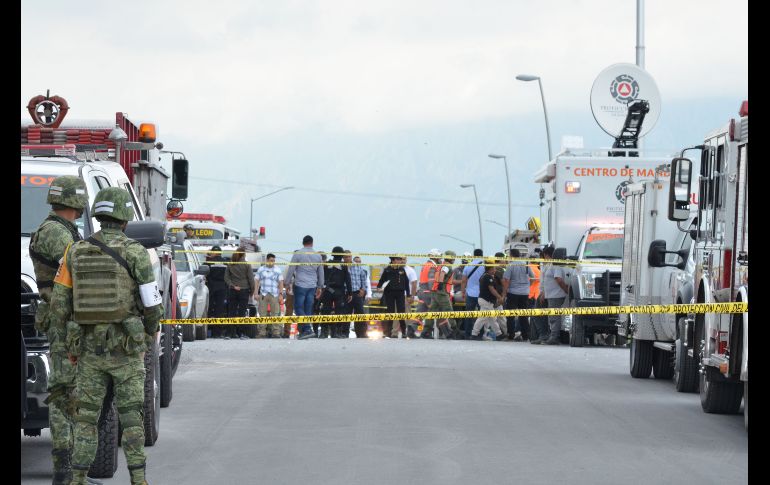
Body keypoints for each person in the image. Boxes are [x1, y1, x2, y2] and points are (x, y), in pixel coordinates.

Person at [49, 187, 163, 485]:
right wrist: (149, 335)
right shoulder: (137, 252)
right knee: (131, 416)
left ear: (98, 215)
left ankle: (77, 479)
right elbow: (152, 304)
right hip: (126, 349)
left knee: (86, 418)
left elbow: (59, 305)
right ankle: (138, 480)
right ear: (125, 217)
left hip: (88, 351)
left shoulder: (74, 250)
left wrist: (65, 346)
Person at [28, 176, 102, 485]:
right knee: (65, 398)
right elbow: (79, 274)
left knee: (71, 396)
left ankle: (71, 472)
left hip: (68, 320)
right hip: (65, 323)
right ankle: (66, 472)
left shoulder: (63, 231)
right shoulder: (56, 234)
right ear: (76, 201)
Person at [285, 235, 324, 339]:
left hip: (300, 285)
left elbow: (291, 269)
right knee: (308, 309)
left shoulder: (298, 254)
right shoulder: (318, 256)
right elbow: (321, 272)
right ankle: (304, 332)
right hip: (312, 285)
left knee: (298, 308)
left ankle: (307, 329)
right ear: (312, 243)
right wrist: (320, 286)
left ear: (303, 243)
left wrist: (287, 283)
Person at [319, 246, 352, 338]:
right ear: (342, 255)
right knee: (339, 312)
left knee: (325, 311)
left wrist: (321, 288)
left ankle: (323, 332)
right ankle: (338, 332)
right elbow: (348, 280)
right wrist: (350, 293)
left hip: (327, 290)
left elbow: (321, 277)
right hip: (339, 291)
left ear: (333, 254)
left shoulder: (326, 264)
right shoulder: (343, 266)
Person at [539, 245, 569, 345]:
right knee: (552, 317)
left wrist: (566, 290)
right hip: (552, 295)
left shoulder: (557, 266)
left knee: (554, 317)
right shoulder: (553, 265)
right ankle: (552, 336)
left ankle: (554, 337)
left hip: (556, 295)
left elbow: (559, 279)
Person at [424, 250, 458, 339]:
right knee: (449, 312)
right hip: (442, 293)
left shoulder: (441, 265)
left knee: (431, 312)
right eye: (453, 257)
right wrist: (441, 284)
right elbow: (443, 273)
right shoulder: (446, 266)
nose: (454, 259)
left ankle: (426, 331)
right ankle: (455, 330)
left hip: (435, 292)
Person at [503, 248, 535, 341]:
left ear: (512, 255)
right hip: (525, 293)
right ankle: (526, 335)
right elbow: (533, 278)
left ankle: (511, 335)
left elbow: (506, 280)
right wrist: (528, 286)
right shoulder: (526, 264)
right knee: (523, 315)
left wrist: (504, 293)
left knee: (511, 315)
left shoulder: (510, 265)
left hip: (513, 293)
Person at [470, 262, 505, 340]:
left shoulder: (484, 276)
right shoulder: (488, 277)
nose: (494, 270)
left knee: (492, 318)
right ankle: (474, 334)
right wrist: (499, 297)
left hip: (485, 300)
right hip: (486, 301)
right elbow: (492, 289)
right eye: (493, 269)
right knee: (483, 318)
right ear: (488, 270)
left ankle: (499, 334)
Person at [225, 248, 255, 339]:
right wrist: (252, 291)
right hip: (244, 290)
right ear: (244, 255)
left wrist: (233, 286)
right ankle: (241, 333)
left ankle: (230, 333)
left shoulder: (230, 264)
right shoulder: (246, 265)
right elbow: (251, 279)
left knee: (231, 312)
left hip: (233, 290)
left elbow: (226, 278)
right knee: (242, 312)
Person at [377, 256, 409, 338]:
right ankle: (388, 332)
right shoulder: (387, 270)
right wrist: (379, 287)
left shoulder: (402, 270)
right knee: (390, 312)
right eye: (398, 259)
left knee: (401, 312)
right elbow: (381, 280)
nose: (400, 261)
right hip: (389, 293)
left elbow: (406, 282)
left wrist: (408, 294)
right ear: (393, 260)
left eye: (400, 259)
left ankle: (404, 332)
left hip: (400, 293)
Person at [254, 253, 285, 338]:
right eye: (271, 260)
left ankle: (276, 333)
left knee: (275, 314)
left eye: (274, 261)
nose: (273, 262)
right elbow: (256, 281)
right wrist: (256, 293)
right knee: (262, 313)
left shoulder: (278, 270)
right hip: (263, 294)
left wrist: (281, 294)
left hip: (274, 294)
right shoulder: (261, 269)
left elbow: (281, 282)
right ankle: (262, 333)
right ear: (267, 260)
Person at [204, 245, 227, 338]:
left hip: (211, 287)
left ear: (213, 252)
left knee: (209, 309)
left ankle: (208, 330)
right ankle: (217, 333)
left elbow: (205, 274)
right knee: (219, 310)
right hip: (222, 287)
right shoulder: (226, 262)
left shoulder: (208, 262)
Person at [461, 248, 485, 338]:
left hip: (470, 294)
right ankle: (480, 334)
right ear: (482, 255)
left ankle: (467, 334)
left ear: (473, 255)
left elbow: (463, 281)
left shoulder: (468, 265)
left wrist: (463, 292)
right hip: (482, 294)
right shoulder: (485, 265)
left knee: (468, 315)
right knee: (481, 315)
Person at [347, 251, 369, 338]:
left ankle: (361, 333)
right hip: (346, 294)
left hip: (357, 293)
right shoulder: (342, 266)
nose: (347, 258)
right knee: (346, 314)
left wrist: (363, 289)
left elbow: (364, 279)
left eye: (348, 257)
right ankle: (344, 333)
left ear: (350, 257)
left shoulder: (357, 266)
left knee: (360, 314)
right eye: (345, 257)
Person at [493, 252, 509, 340]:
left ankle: (504, 333)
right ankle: (505, 333)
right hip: (498, 296)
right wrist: (503, 296)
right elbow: (504, 284)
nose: (505, 261)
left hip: (493, 295)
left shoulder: (492, 267)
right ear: (500, 259)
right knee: (497, 317)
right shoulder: (500, 270)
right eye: (504, 259)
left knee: (497, 316)